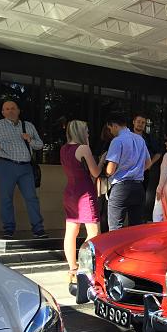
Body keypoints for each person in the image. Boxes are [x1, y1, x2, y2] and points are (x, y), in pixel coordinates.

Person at [0, 101, 48, 239]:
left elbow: (40, 145)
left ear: (18, 110)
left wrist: (30, 140)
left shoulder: (28, 126)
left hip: (26, 167)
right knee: (6, 198)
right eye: (7, 109)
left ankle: (38, 229)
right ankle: (8, 230)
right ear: (3, 112)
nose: (10, 111)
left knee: (32, 198)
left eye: (13, 108)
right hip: (6, 165)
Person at [60, 120, 104, 284]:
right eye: (86, 131)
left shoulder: (63, 149)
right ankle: (84, 264)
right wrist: (102, 160)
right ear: (80, 132)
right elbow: (95, 172)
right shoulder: (84, 148)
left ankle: (72, 268)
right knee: (93, 234)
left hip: (70, 192)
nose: (88, 134)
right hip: (85, 193)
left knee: (71, 232)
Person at [105, 114, 151, 230]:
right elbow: (148, 163)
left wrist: (105, 172)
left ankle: (116, 249)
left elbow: (110, 169)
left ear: (114, 126)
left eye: (110, 129)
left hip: (121, 187)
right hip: (138, 187)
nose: (110, 132)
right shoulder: (140, 139)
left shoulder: (117, 141)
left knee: (116, 228)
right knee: (136, 229)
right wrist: (137, 170)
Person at [132, 113, 162, 221]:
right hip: (129, 171)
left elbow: (158, 153)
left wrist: (149, 164)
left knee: (143, 196)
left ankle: (142, 219)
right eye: (138, 121)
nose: (140, 124)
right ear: (133, 122)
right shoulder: (127, 136)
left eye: (143, 122)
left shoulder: (148, 138)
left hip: (144, 172)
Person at [97, 124, 114, 233]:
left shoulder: (100, 145)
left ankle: (101, 233)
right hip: (109, 179)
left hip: (100, 180)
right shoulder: (113, 145)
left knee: (100, 207)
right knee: (107, 210)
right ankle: (105, 233)